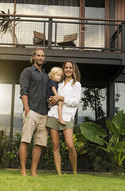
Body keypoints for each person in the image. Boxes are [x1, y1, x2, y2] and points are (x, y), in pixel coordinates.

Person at [46, 59, 81, 175]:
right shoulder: (58, 84)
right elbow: (53, 98)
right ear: (63, 69)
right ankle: (59, 173)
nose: (68, 70)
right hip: (53, 115)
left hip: (67, 117)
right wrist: (52, 100)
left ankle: (75, 172)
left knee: (70, 144)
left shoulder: (76, 85)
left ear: (74, 69)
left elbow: (75, 102)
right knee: (55, 145)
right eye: (66, 67)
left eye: (70, 67)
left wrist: (62, 98)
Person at [19, 48, 49, 176]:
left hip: (44, 113)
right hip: (31, 111)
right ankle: (23, 170)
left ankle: (33, 171)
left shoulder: (46, 75)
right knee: (25, 140)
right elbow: (23, 91)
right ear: (34, 57)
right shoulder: (28, 71)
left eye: (42, 55)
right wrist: (26, 108)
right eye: (38, 55)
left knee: (39, 143)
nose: (41, 57)